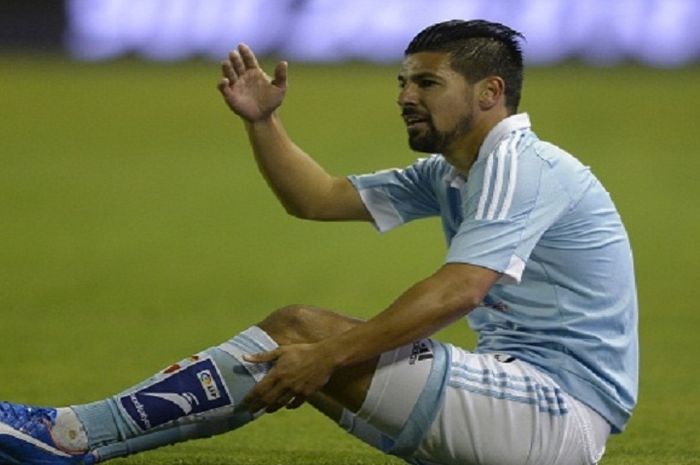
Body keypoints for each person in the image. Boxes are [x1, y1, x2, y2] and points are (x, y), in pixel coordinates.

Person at [0, 19, 638, 465]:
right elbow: (318, 199)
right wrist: (264, 123)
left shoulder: (520, 164)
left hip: (557, 412)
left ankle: (69, 435)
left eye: (427, 84)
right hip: (520, 399)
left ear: (490, 92)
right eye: (402, 82)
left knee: (303, 335)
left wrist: (330, 354)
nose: (404, 97)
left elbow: (461, 288)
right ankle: (73, 440)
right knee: (299, 343)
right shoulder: (455, 171)